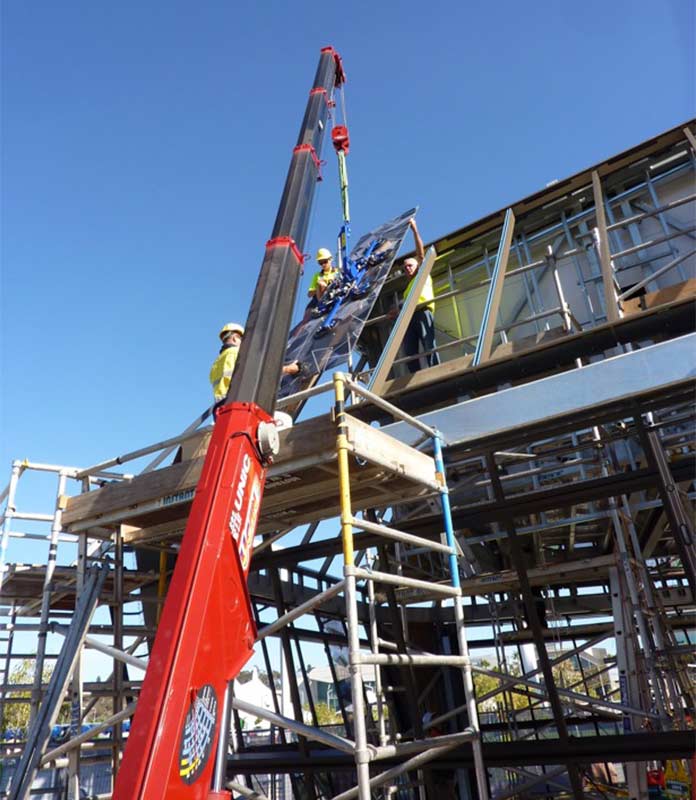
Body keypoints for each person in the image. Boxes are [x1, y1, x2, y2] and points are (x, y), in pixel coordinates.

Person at [210, 322, 300, 414]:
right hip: (239, 406)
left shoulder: (217, 363)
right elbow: (260, 372)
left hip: (221, 410)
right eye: (243, 339)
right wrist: (289, 369)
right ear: (234, 338)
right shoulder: (237, 353)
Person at [400, 218, 440, 373]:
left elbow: (421, 253)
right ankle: (414, 376)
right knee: (410, 350)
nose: (407, 269)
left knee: (428, 344)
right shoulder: (407, 288)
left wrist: (415, 229)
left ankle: (436, 371)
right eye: (405, 268)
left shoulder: (422, 275)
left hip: (423, 311)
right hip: (409, 316)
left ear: (417, 266)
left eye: (410, 265)